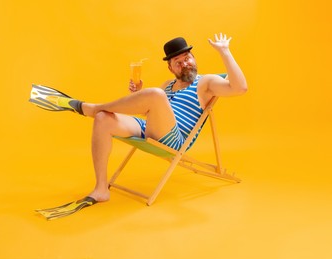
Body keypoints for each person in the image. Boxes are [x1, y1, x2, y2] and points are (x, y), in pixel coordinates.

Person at [31, 33, 247, 206]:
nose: (185, 64)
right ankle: (101, 188)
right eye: (178, 62)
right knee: (103, 119)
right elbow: (149, 114)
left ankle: (92, 106)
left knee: (153, 95)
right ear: (171, 68)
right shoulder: (167, 86)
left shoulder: (206, 82)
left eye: (187, 58)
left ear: (194, 58)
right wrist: (139, 94)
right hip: (151, 128)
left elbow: (240, 88)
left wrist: (225, 52)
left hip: (175, 139)